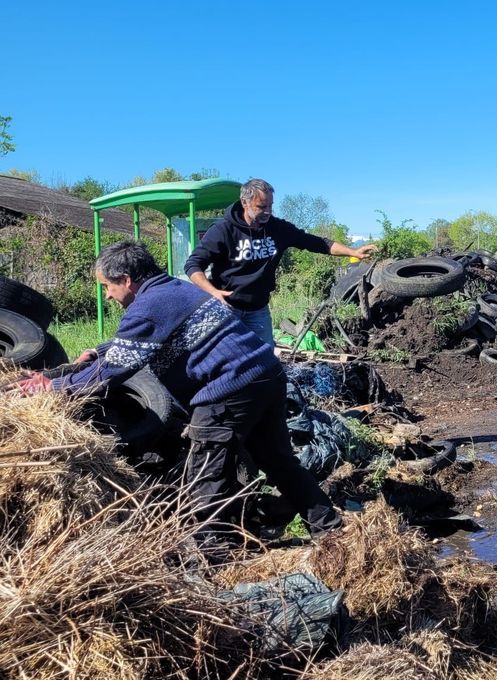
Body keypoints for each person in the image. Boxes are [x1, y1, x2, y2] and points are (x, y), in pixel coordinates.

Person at [13, 241, 341, 537]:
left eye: (107, 287)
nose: (108, 296)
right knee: (279, 460)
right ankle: (330, 529)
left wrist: (54, 385)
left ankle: (212, 554)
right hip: (265, 375)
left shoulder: (148, 305)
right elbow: (144, 339)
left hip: (230, 387)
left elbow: (114, 370)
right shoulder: (174, 290)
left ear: (126, 279)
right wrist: (99, 351)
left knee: (205, 472)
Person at [184, 178, 377, 345]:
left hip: (258, 310)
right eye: (261, 206)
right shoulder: (223, 230)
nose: (268, 211)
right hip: (227, 308)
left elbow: (318, 243)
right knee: (227, 360)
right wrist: (213, 292)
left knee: (265, 361)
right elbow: (193, 265)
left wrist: (353, 251)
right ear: (245, 202)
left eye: (270, 206)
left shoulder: (277, 229)